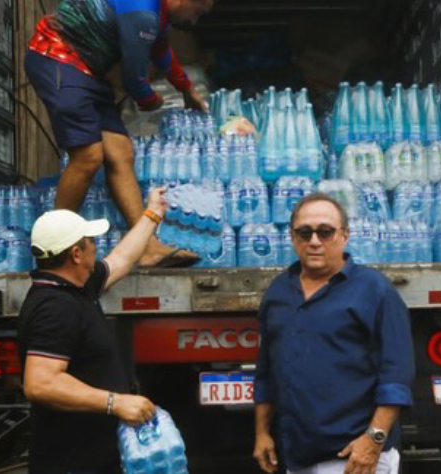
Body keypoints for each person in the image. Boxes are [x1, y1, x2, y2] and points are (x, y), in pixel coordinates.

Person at [24, 0, 213, 266]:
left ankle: (145, 246)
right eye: (198, 12)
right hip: (57, 57)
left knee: (121, 151)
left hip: (86, 70)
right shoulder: (143, 13)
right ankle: (55, 249)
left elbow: (161, 51)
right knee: (88, 156)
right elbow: (133, 80)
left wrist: (186, 88)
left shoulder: (156, 15)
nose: (194, 21)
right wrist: (151, 100)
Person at [253, 194, 415, 474]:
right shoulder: (279, 292)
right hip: (297, 457)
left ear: (344, 236)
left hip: (354, 458)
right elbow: (266, 372)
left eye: (325, 232)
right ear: (292, 238)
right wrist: (262, 432)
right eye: (305, 232)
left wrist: (374, 440)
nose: (314, 241)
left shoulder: (374, 291)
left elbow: (396, 375)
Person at [18, 188, 167, 473]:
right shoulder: (55, 307)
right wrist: (115, 402)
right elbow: (40, 383)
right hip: (71, 462)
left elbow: (121, 260)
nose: (96, 246)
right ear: (76, 254)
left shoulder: (75, 287)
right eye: (91, 242)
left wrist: (152, 215)